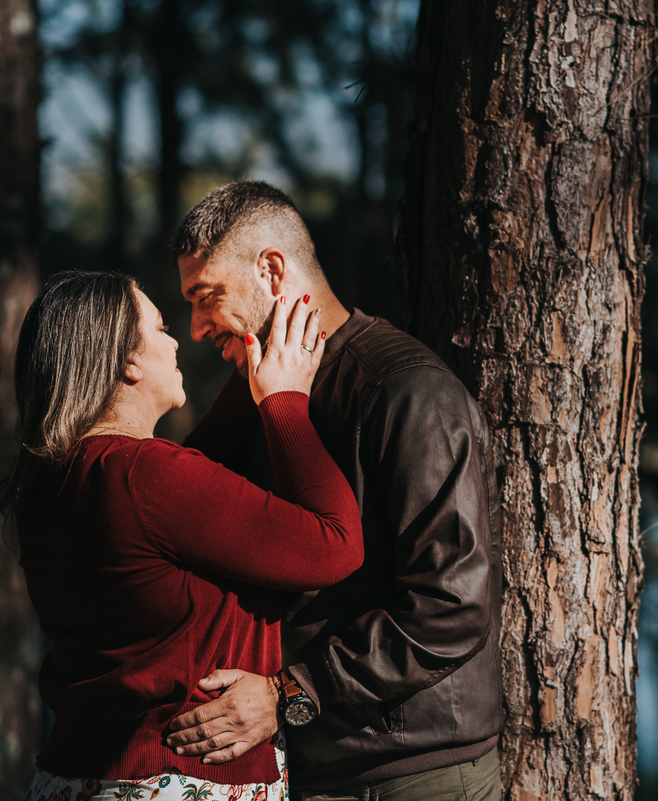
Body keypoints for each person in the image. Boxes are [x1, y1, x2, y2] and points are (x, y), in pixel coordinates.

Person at [164, 181, 503, 801]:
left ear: (271, 269)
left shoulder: (407, 392)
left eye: (206, 296)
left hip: (413, 774)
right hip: (312, 766)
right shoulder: (261, 387)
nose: (195, 327)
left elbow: (452, 606)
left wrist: (288, 693)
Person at [0, 270, 363, 801]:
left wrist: (250, 360)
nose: (177, 340)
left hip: (71, 779)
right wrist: (285, 403)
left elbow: (199, 477)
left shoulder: (53, 479)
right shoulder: (147, 475)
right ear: (128, 361)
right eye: (161, 327)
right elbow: (335, 546)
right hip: (175, 779)